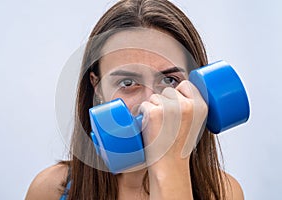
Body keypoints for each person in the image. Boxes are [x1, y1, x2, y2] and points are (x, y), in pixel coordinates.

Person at [25, 0, 244, 199]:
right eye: (128, 83)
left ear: (196, 89)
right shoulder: (51, 189)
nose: (151, 104)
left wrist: (170, 162)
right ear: (97, 88)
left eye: (169, 80)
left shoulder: (223, 193)